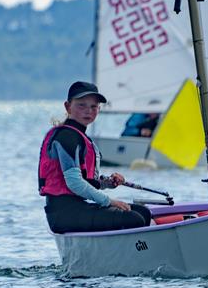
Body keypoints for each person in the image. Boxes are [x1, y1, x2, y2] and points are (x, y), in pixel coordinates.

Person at [39, 81, 153, 233]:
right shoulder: (66, 136)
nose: (88, 111)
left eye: (93, 106)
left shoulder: (77, 135)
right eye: (82, 105)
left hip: (77, 208)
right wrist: (109, 202)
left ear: (99, 109)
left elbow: (84, 181)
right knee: (135, 219)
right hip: (63, 214)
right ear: (67, 107)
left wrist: (107, 183)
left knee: (143, 212)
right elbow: (75, 183)